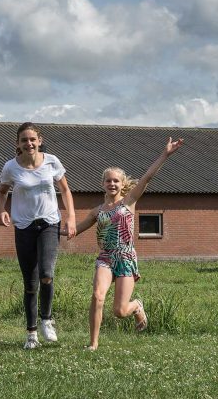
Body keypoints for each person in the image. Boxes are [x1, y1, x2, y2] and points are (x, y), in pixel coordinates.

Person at [71, 137, 183, 350]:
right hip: (105, 257)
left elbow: (148, 177)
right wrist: (43, 226)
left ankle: (137, 306)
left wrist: (165, 155)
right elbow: (75, 230)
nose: (112, 184)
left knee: (120, 311)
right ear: (102, 184)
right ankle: (93, 344)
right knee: (97, 296)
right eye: (108, 181)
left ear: (122, 185)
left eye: (116, 181)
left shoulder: (129, 201)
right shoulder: (97, 211)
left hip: (125, 257)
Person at [0, 122, 77, 349]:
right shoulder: (11, 167)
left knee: (47, 273)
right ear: (18, 144)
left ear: (39, 140)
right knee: (30, 283)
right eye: (24, 140)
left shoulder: (52, 161)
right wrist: (1, 210)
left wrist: (70, 217)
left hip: (49, 223)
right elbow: (2, 192)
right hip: (23, 226)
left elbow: (65, 190)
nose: (29, 143)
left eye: (32, 139)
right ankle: (31, 334)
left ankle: (47, 319)